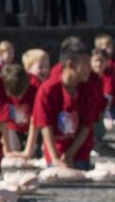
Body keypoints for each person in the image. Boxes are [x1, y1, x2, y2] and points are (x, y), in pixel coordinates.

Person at [30, 39, 107, 170]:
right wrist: (54, 158)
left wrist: (71, 153)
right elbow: (45, 126)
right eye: (86, 64)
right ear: (70, 64)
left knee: (78, 170)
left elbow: (86, 125)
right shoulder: (47, 90)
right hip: (55, 149)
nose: (90, 68)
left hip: (79, 151)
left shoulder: (89, 89)